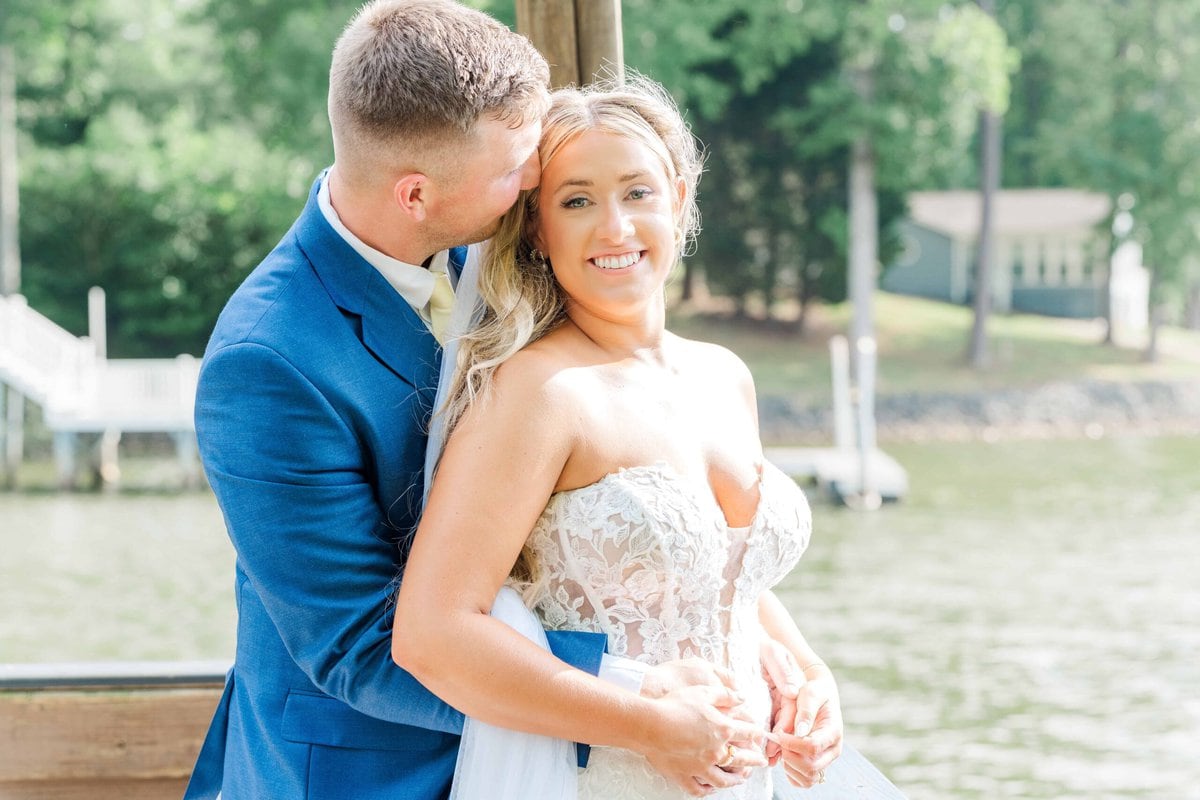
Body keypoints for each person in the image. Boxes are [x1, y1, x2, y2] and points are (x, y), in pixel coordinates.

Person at [184, 2, 801, 798]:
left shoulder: (502, 236)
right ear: (416, 195)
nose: (539, 181)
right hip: (374, 769)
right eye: (518, 171)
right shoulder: (268, 362)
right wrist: (641, 693)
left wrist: (755, 642)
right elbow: (361, 646)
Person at [392, 76, 843, 799]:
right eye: (577, 201)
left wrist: (809, 674)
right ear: (538, 228)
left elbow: (721, 577)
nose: (615, 228)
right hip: (614, 776)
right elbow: (432, 633)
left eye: (638, 192)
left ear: (680, 198)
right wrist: (646, 724)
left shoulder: (724, 376)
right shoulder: (538, 394)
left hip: (749, 777)